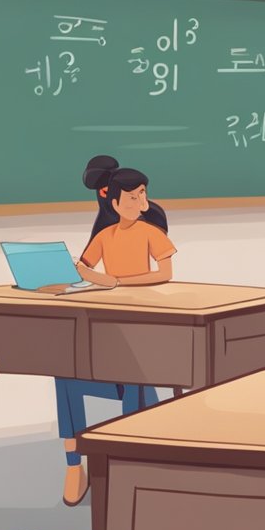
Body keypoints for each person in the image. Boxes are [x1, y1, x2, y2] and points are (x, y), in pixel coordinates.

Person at [54, 157, 172, 505]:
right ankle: (74, 464)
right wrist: (71, 277)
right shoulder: (105, 235)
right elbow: (83, 266)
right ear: (114, 202)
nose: (139, 202)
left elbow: (165, 273)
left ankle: (130, 461)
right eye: (131, 197)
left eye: (142, 195)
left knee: (136, 381)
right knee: (66, 377)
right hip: (109, 325)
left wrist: (117, 281)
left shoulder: (151, 232)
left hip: (143, 323)